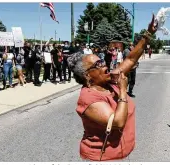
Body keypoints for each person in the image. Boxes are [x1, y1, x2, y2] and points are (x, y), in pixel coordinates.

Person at [67, 14, 157, 161]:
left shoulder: (109, 80)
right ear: (88, 75)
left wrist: (148, 34)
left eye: (102, 61)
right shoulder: (88, 98)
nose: (104, 65)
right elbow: (117, 122)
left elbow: (131, 59)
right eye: (98, 65)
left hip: (120, 154)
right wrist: (122, 90)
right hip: (102, 158)